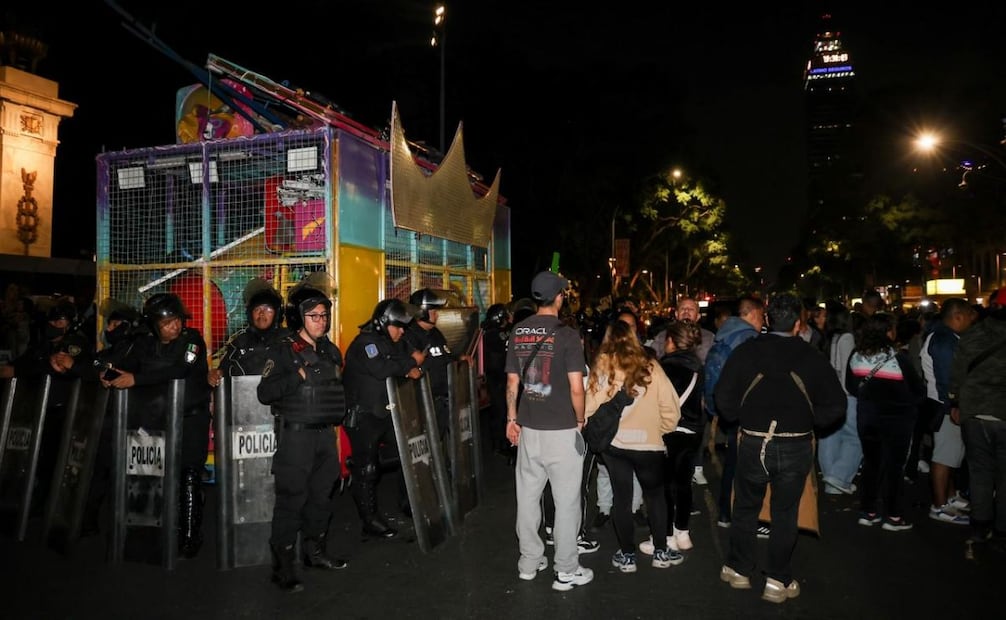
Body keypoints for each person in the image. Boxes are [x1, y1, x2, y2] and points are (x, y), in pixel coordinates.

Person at [714, 293, 845, 604]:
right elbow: (836, 405)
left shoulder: (746, 352)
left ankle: (739, 569)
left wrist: (737, 417)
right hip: (795, 443)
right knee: (785, 513)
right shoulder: (812, 356)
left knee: (745, 507)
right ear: (799, 324)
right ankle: (777, 579)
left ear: (768, 320)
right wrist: (813, 422)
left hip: (754, 440)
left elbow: (724, 399)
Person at [105, 293, 212, 559]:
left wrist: (136, 379)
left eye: (176, 320)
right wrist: (108, 375)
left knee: (189, 474)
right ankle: (147, 533)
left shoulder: (192, 341)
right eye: (166, 323)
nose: (174, 326)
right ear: (154, 325)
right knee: (152, 474)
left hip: (191, 417)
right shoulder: (145, 344)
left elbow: (179, 370)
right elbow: (122, 363)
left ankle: (189, 536)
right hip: (156, 419)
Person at [258, 283, 348, 592]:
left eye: (324, 315)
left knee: (321, 498)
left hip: (325, 437)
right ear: (299, 318)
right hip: (296, 438)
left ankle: (315, 552)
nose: (321, 321)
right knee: (291, 500)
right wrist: (295, 378)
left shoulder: (330, 350)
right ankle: (282, 567)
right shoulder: (283, 350)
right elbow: (265, 392)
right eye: (313, 316)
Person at [506, 270, 593, 591]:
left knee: (527, 498)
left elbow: (512, 382)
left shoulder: (517, 331)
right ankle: (566, 569)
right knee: (567, 502)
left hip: (528, 429)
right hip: (562, 429)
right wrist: (580, 420)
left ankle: (529, 561)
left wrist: (511, 419)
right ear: (559, 297)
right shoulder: (568, 335)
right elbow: (576, 387)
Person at [586, 320, 681, 573]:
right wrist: (659, 431)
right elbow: (671, 410)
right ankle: (661, 551)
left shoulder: (603, 367)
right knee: (656, 497)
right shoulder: (651, 367)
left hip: (615, 446)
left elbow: (587, 409)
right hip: (649, 446)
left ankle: (627, 555)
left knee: (622, 498)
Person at [0, 298, 95, 512]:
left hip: (64, 411)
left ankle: (50, 507)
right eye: (53, 321)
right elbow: (27, 360)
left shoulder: (74, 343)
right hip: (38, 407)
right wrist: (13, 368)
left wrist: (20, 370)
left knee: (56, 461)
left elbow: (60, 366)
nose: (55, 325)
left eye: (60, 321)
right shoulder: (44, 343)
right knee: (35, 458)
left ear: (71, 322)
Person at [342, 299, 424, 539]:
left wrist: (405, 362)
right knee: (367, 469)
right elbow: (381, 368)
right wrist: (409, 364)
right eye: (397, 326)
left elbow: (405, 354)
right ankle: (370, 520)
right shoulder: (366, 343)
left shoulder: (390, 340)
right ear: (383, 323)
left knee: (405, 453)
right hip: (363, 415)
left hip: (383, 412)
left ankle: (407, 503)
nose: (401, 331)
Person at [846, 313, 925, 531]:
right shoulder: (897, 358)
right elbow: (918, 391)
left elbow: (852, 387)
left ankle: (867, 511)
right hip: (897, 421)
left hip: (867, 419)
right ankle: (893, 516)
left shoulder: (856, 354)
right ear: (889, 332)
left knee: (871, 464)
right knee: (894, 467)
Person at [640, 320, 703, 556]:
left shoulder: (664, 367)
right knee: (684, 483)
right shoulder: (697, 366)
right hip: (693, 430)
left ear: (671, 341)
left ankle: (665, 536)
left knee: (663, 485)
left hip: (669, 430)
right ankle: (683, 532)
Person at [703, 296, 765, 528]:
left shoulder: (724, 335)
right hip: (746, 408)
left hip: (728, 406)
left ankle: (725, 511)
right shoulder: (747, 338)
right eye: (761, 315)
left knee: (733, 460)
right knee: (749, 464)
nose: (763, 321)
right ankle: (744, 515)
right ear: (751, 314)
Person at [949, 303, 1006, 548]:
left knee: (980, 471)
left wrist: (955, 401)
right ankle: (1002, 528)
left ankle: (980, 525)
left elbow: (958, 374)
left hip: (974, 413)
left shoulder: (972, 335)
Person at [83, 299, 142, 535]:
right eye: (109, 324)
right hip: (107, 421)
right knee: (100, 470)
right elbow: (94, 363)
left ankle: (132, 525)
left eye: (114, 324)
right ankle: (90, 520)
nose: (108, 329)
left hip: (133, 421)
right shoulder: (108, 352)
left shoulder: (138, 349)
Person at [921, 297, 976, 525]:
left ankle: (949, 497)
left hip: (943, 404)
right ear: (958, 316)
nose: (972, 323)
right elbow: (947, 378)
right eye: (970, 318)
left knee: (950, 455)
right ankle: (940, 506)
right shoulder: (944, 340)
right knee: (943, 458)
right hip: (944, 406)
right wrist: (954, 404)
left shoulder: (942, 335)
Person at [818, 303, 862, 495]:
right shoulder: (847, 338)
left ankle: (831, 479)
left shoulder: (830, 338)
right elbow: (846, 369)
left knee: (829, 437)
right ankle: (838, 476)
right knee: (855, 438)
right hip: (846, 395)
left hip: (830, 394)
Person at [404, 288, 461, 438]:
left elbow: (444, 355)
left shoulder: (435, 333)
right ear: (421, 311)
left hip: (441, 401)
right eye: (433, 310)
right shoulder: (409, 335)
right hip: (422, 403)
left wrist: (459, 358)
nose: (437, 314)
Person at [209, 278, 286, 382]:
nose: (262, 313)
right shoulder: (238, 343)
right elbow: (222, 371)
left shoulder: (289, 340)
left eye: (267, 309)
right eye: (257, 309)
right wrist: (216, 374)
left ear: (277, 313)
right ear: (250, 314)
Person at [482, 303, 513, 459]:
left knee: (506, 411)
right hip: (498, 380)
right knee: (499, 412)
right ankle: (499, 445)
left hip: (505, 379)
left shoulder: (504, 331)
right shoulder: (492, 335)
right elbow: (495, 362)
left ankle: (507, 442)